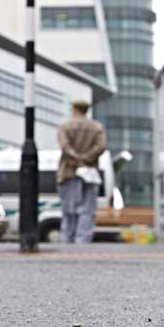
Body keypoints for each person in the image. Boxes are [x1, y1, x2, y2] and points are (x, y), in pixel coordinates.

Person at [56, 99, 107, 243]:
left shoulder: (65, 126)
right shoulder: (97, 127)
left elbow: (64, 146)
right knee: (87, 210)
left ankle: (67, 240)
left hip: (68, 172)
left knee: (68, 210)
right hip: (90, 173)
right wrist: (85, 159)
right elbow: (101, 147)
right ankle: (82, 241)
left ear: (74, 109)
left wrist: (76, 158)